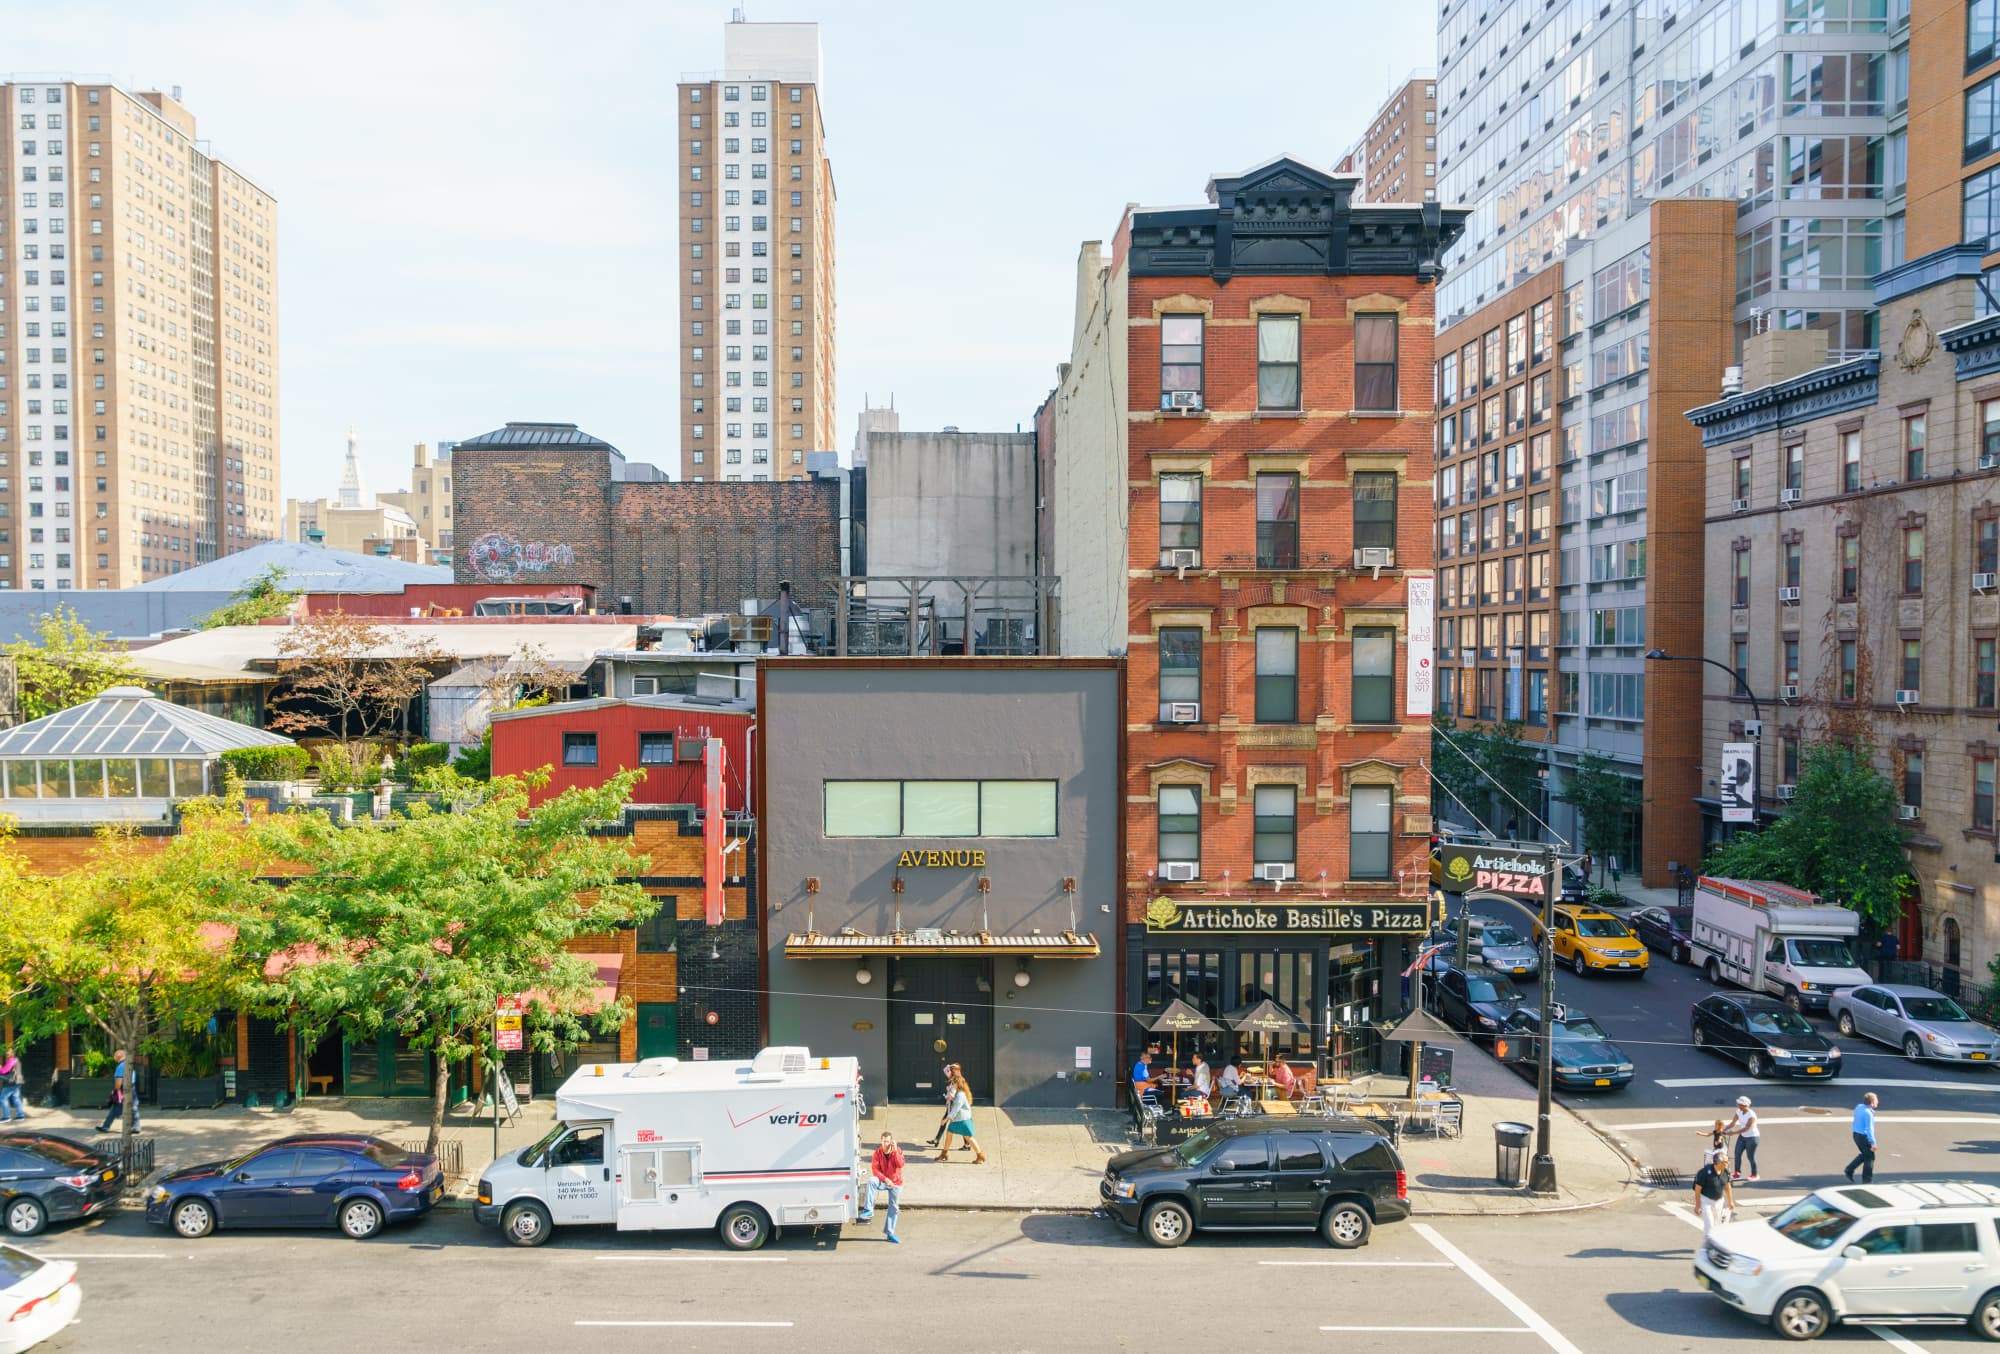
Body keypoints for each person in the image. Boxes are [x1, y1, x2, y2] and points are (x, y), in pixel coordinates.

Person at [856, 1130, 903, 1243]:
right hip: (883, 1181)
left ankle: (890, 1233)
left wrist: (895, 1151)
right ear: (881, 1141)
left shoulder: (898, 1151)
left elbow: (900, 1164)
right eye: (884, 1141)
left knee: (894, 1208)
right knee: (872, 1180)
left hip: (896, 1183)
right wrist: (885, 1179)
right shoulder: (877, 1153)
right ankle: (869, 1210)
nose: (886, 1144)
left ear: (891, 1142)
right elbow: (875, 1170)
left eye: (888, 1141)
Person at [938, 1072, 987, 1164]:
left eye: (953, 1083)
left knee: (969, 1138)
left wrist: (945, 1119)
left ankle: (980, 1155)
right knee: (949, 1134)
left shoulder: (960, 1095)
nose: (952, 1085)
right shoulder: (961, 1093)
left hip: (961, 1120)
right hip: (960, 1119)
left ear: (957, 1083)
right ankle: (944, 1154)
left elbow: (955, 1109)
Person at [1692, 1147, 1735, 1237]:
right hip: (1706, 1201)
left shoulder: (1725, 1172)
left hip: (1718, 1202)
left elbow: (1727, 1187)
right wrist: (1698, 1205)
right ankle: (1708, 1245)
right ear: (1718, 1163)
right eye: (1726, 1162)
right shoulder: (1705, 1172)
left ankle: (1714, 1244)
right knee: (1710, 1224)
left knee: (1716, 1225)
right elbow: (1697, 1189)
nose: (1728, 1163)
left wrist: (1730, 1201)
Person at [97, 1049, 137, 1134]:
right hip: (131, 1088)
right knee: (133, 1108)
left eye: (115, 1055)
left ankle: (106, 1127)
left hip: (123, 1089)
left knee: (115, 1108)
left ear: (119, 1056)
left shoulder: (120, 1066)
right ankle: (136, 1127)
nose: (114, 1057)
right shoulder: (129, 1065)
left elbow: (119, 1081)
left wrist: (116, 1091)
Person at [1845, 1092, 1879, 1184]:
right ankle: (1867, 1181)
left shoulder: (1859, 1107)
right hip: (1863, 1137)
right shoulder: (1868, 1114)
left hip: (1856, 1135)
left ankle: (1849, 1169)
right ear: (1871, 1103)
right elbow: (1869, 1129)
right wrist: (1873, 1143)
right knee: (1870, 1158)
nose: (1878, 1102)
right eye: (1876, 1100)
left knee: (1865, 1154)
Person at [1727, 1096, 1760, 1181]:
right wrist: (1724, 1129)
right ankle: (1737, 1173)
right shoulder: (1738, 1111)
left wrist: (1733, 1133)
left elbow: (1746, 1128)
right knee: (1737, 1154)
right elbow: (1733, 1123)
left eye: (1739, 1104)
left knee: (1750, 1157)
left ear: (1744, 1105)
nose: (1737, 1106)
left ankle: (1754, 1174)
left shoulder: (1751, 1116)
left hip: (1752, 1138)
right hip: (1742, 1137)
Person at [0, 1046, 24, 1123]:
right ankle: (20, 1115)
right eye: (7, 1051)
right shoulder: (17, 1060)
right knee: (16, 1098)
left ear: (13, 1053)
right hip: (18, 1081)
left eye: (9, 1051)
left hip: (11, 1083)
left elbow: (4, 1071)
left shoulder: (11, 1060)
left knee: (2, 1098)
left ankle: (6, 1117)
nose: (7, 1053)